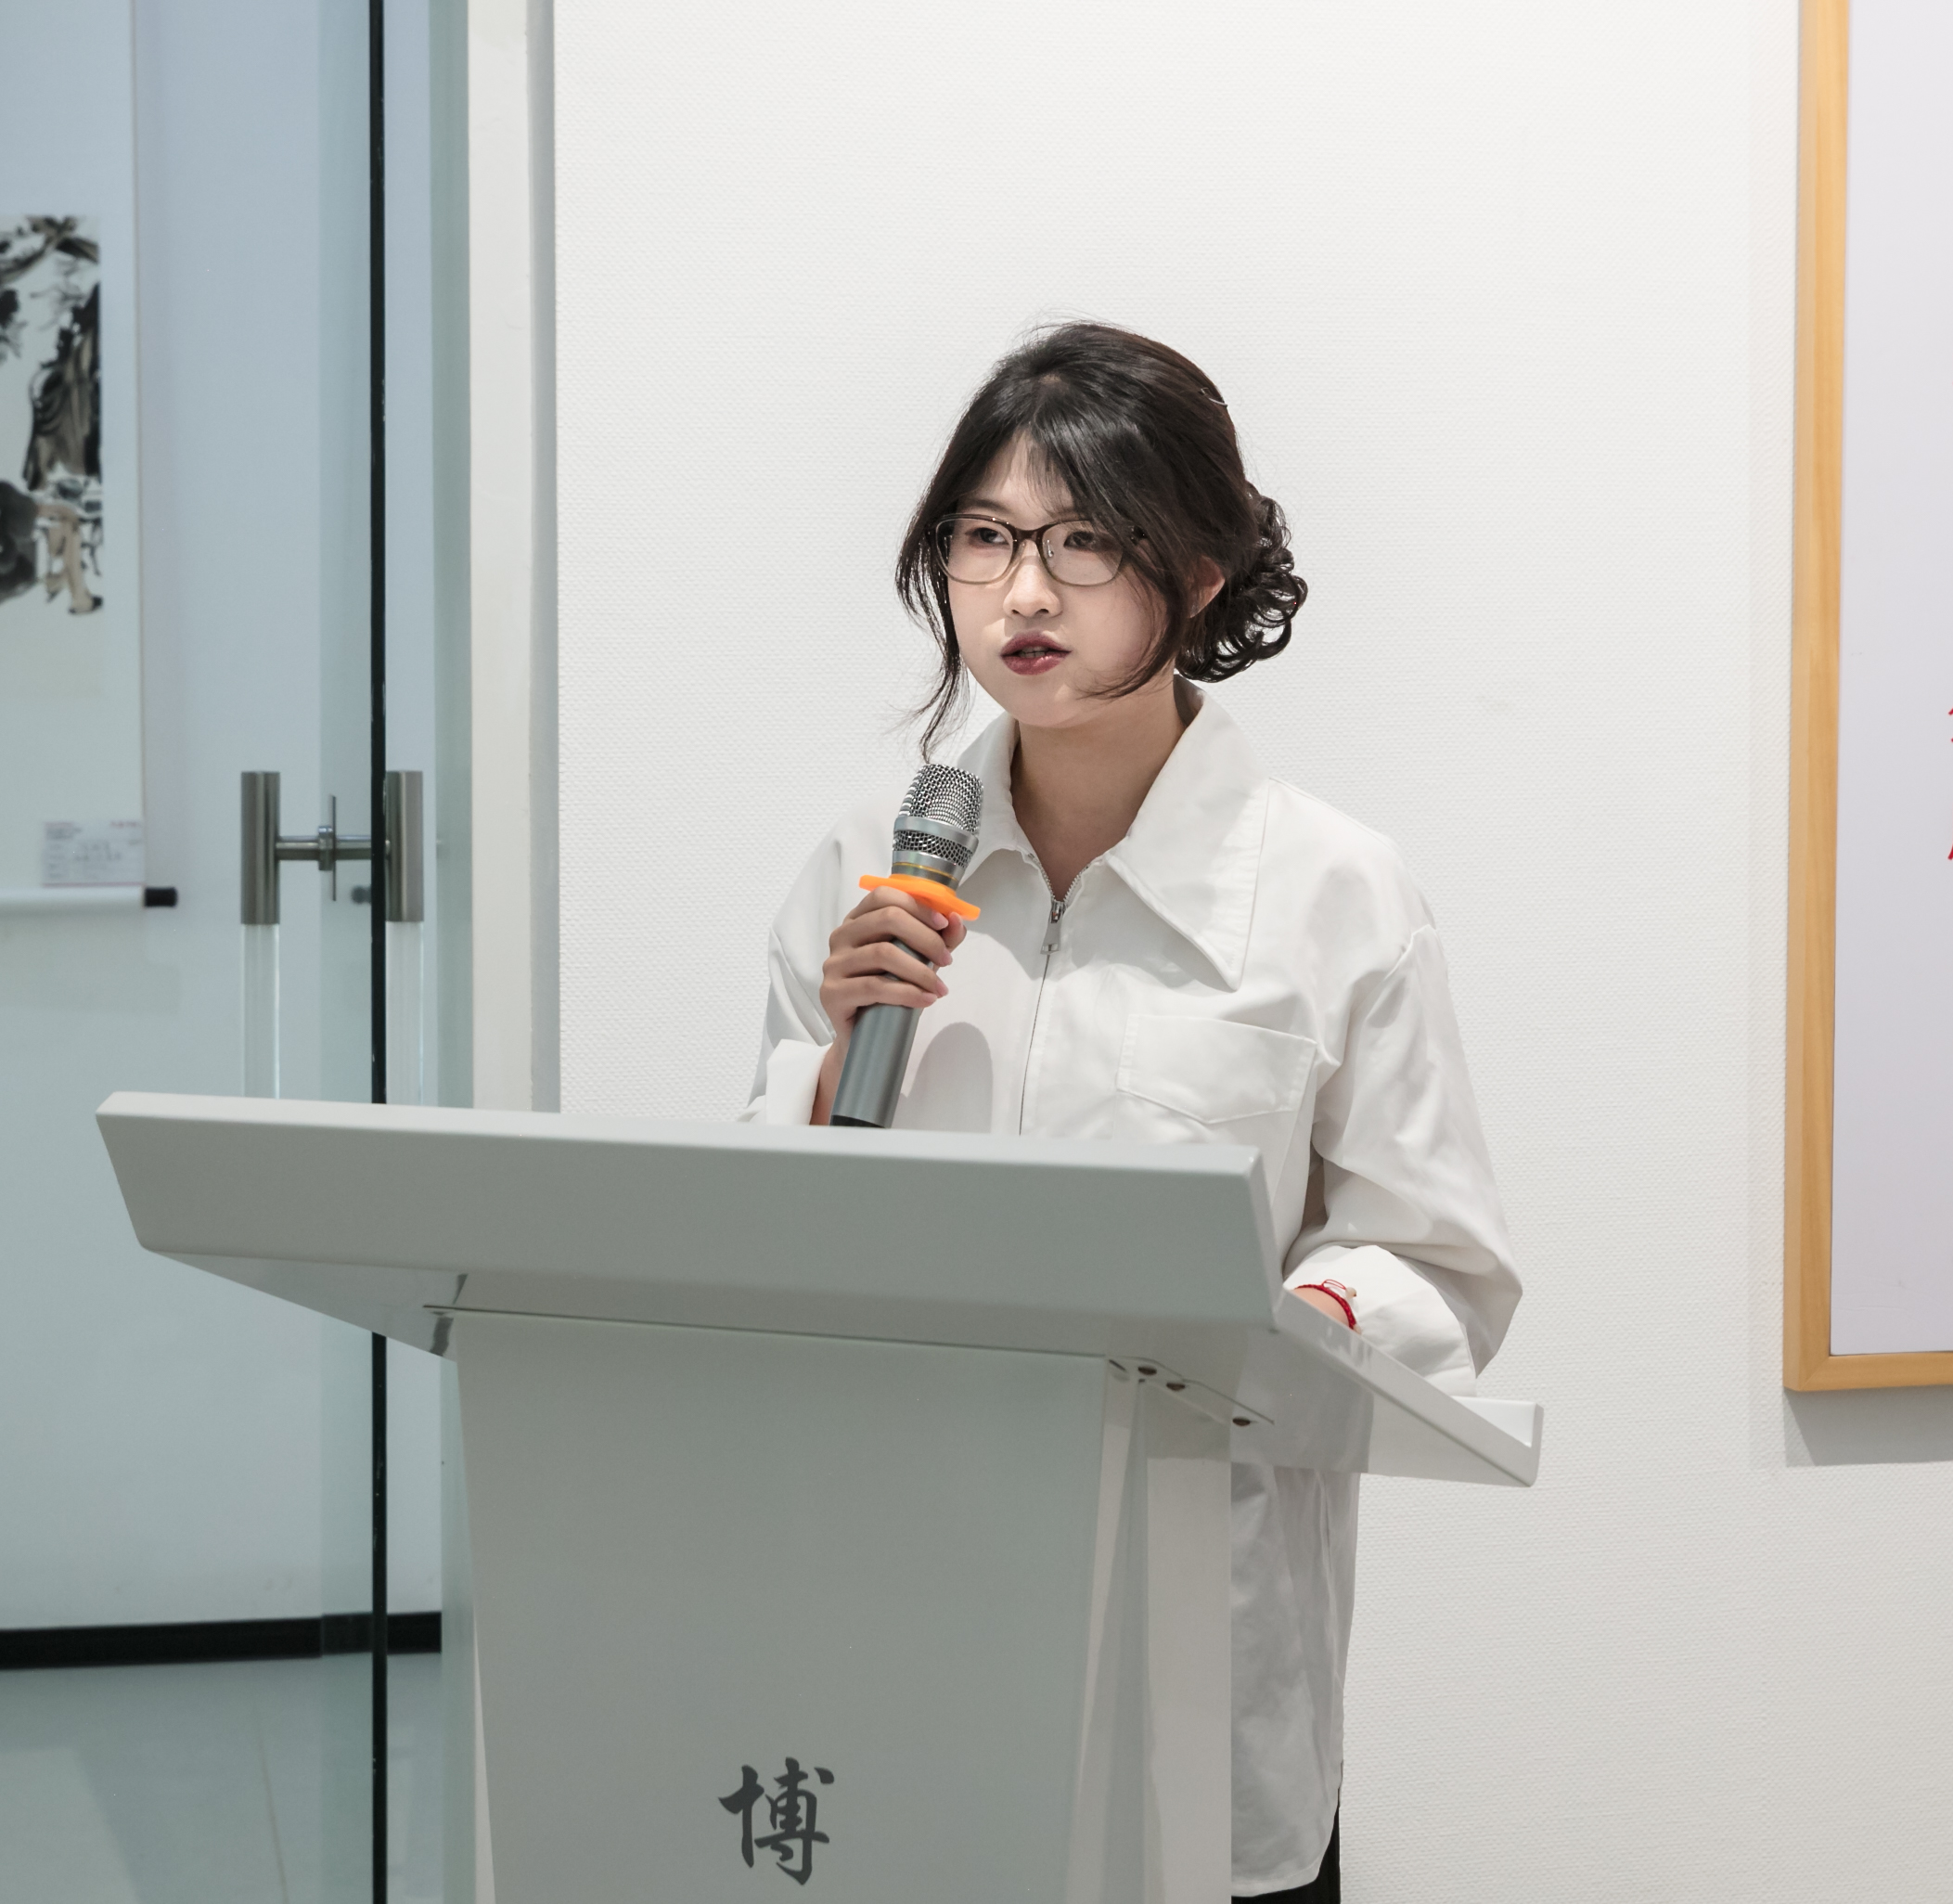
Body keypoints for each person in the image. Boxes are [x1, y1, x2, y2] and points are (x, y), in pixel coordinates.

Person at [741, 324, 1522, 1901]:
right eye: (982, 538)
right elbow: (760, 1252)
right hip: (898, 1613)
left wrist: (1292, 1320)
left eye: (1083, 542)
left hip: (1197, 1632)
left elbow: (1438, 1263)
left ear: (1200, 573)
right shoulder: (870, 863)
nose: (1021, 595)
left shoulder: (1332, 892)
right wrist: (826, 1082)